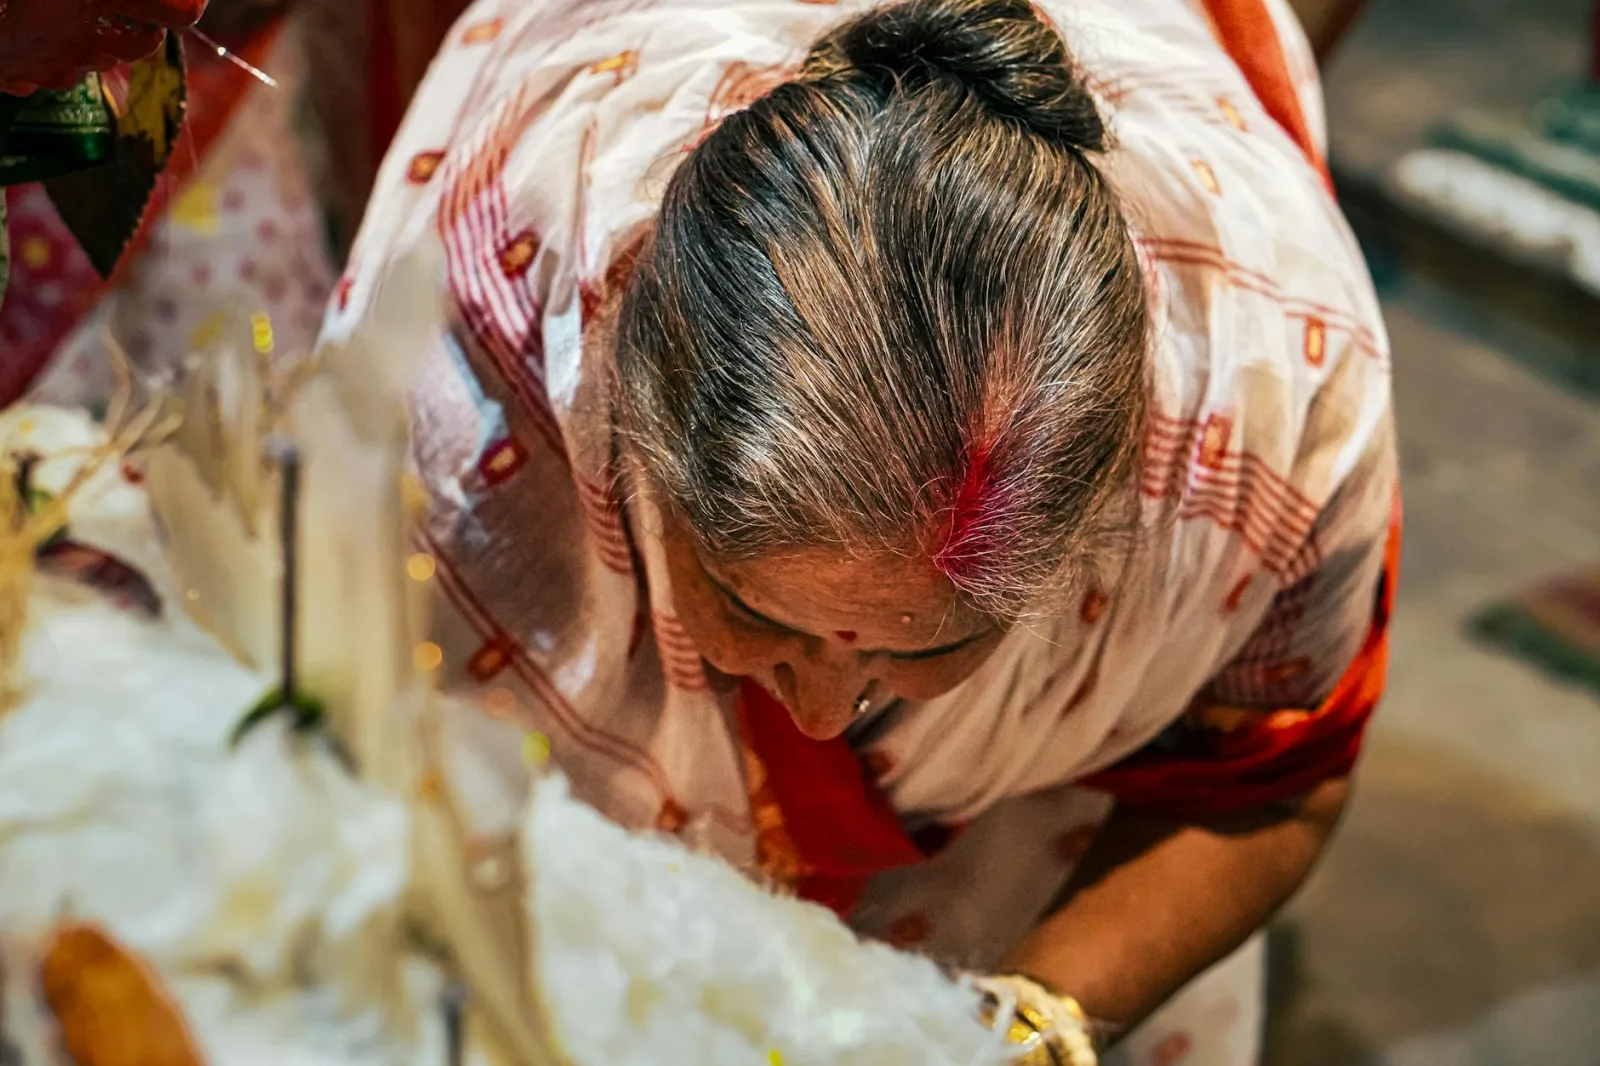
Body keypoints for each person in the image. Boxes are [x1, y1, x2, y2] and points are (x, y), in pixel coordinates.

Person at [321, 0, 1400, 1062]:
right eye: (751, 610)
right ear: (628, 434)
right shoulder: (496, 350)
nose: (826, 713)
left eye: (929, 641)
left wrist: (1033, 1016)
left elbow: (1278, 782)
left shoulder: (1273, 429)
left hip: (1010, 832)